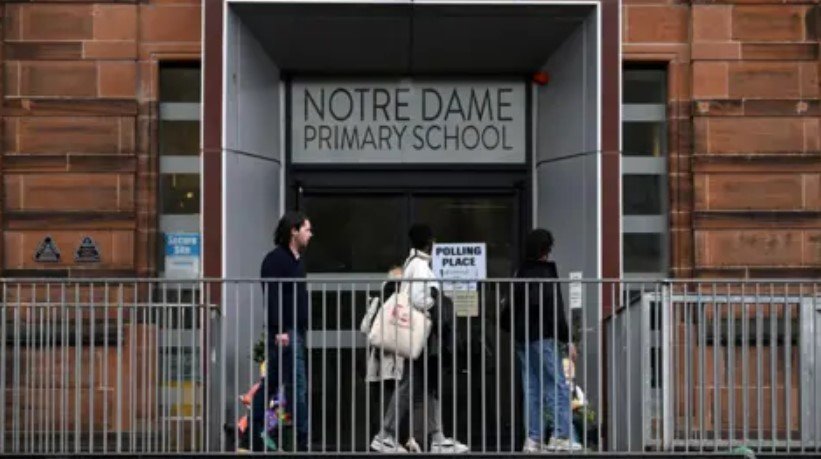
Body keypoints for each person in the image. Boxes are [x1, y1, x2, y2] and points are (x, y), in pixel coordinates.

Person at [369, 224, 469, 454]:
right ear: (430, 242)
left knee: (427, 384)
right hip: (422, 336)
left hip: (421, 337)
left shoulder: (412, 263)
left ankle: (436, 437)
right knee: (411, 384)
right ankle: (386, 434)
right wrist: (435, 300)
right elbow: (419, 297)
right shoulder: (421, 265)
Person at [512, 229, 582, 452]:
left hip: (524, 337)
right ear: (545, 250)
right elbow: (554, 309)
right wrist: (567, 339)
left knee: (531, 388)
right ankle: (561, 435)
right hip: (543, 336)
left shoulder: (520, 272)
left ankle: (533, 439)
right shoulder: (545, 272)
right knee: (557, 385)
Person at [256, 211, 313, 451]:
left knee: (274, 383)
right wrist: (280, 329)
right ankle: (300, 440)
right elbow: (273, 296)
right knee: (295, 386)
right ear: (294, 230)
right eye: (307, 229)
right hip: (286, 332)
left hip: (293, 331)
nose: (311, 234)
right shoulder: (276, 259)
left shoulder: (295, 260)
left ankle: (254, 433)